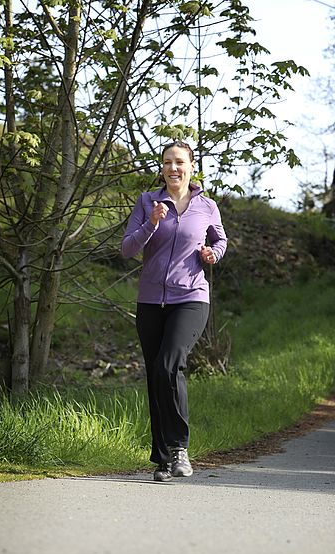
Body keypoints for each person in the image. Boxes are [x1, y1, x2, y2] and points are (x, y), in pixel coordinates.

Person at [121, 141, 228, 482]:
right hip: (151, 300)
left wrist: (212, 254)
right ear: (162, 168)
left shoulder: (207, 206)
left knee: (170, 363)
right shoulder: (147, 202)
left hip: (191, 298)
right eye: (167, 162)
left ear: (191, 167)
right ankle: (163, 459)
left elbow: (220, 241)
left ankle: (180, 448)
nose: (173, 168)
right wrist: (151, 223)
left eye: (179, 162)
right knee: (156, 375)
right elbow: (127, 248)